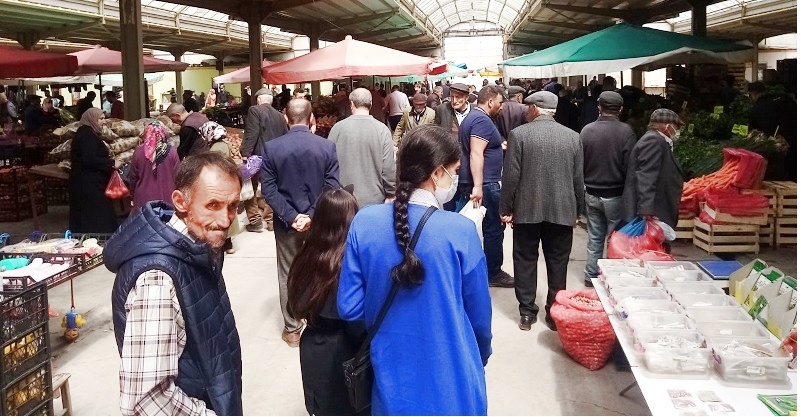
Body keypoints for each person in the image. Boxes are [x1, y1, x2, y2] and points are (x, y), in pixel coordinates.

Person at [338, 125, 492, 415]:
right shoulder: (461, 231)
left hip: (391, 378)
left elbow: (349, 307)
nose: (455, 179)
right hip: (452, 378)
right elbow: (480, 320)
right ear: (437, 173)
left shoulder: (364, 222)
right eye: (454, 170)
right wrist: (479, 354)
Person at [105, 152, 244, 416]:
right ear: (180, 201)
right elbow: (146, 398)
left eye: (232, 206)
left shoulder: (197, 249)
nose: (226, 219)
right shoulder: (157, 280)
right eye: (213, 205)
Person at [500, 91, 584, 332]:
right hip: (562, 210)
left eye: (528, 108)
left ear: (535, 109)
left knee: (525, 259)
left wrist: (505, 208)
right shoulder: (573, 137)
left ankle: (527, 313)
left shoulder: (519, 135)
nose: (526, 111)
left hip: (527, 210)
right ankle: (554, 313)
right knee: (558, 261)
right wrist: (579, 210)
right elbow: (578, 179)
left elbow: (511, 177)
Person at [261, 98, 340, 347]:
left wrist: (292, 216)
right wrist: (312, 215)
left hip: (287, 224)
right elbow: (332, 186)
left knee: (288, 272)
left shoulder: (271, 148)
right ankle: (316, 318)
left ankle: (293, 328)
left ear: (286, 118)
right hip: (319, 222)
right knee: (320, 269)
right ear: (312, 118)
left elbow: (268, 190)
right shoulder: (326, 147)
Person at [286, 188, 365, 416]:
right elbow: (356, 323)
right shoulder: (349, 265)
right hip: (345, 351)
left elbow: (294, 306)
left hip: (313, 345)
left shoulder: (305, 256)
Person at [455, 85, 513, 288]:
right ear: (490, 102)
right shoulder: (481, 120)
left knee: (485, 227)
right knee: (493, 229)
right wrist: (478, 186)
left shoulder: (474, 118)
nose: (501, 107)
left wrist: (498, 145)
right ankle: (493, 272)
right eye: (500, 102)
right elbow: (476, 153)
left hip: (481, 182)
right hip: (485, 184)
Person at [580, 91, 635, 287]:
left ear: (599, 108)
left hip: (591, 193)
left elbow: (580, 163)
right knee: (615, 238)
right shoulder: (626, 132)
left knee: (594, 237)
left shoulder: (586, 131)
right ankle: (611, 278)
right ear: (621, 109)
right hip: (616, 195)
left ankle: (591, 275)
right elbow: (631, 167)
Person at [327, 88, 396, 208]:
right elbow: (388, 167)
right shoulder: (382, 129)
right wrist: (391, 192)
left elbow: (328, 163)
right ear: (371, 104)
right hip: (375, 199)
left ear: (351, 104)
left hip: (343, 200)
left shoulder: (337, 128)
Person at [622, 108, 684, 237]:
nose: (676, 130)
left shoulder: (659, 140)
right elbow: (646, 175)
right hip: (654, 209)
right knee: (647, 243)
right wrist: (646, 209)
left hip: (656, 207)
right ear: (665, 125)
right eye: (675, 126)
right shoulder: (654, 140)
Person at [69, 108, 123, 233]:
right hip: (88, 185)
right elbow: (90, 159)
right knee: (96, 217)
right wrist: (112, 163)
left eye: (104, 118)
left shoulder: (89, 133)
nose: (104, 122)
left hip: (89, 183)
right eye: (101, 119)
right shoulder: (86, 136)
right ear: (92, 119)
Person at [242, 89, 288, 232]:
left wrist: (246, 152)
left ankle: (255, 221)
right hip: (275, 157)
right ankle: (271, 221)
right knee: (271, 188)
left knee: (250, 188)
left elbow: (252, 132)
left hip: (257, 156)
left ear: (258, 100)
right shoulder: (280, 115)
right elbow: (285, 135)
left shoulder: (254, 110)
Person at [747, 81, 796, 181]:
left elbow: (756, 131)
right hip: (794, 137)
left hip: (778, 145)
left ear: (752, 94)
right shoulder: (784, 98)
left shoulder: (756, 109)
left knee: (782, 170)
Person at [128, 120, 180, 213]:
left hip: (143, 200)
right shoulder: (172, 152)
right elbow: (178, 176)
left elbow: (133, 178)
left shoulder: (138, 152)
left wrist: (132, 196)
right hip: (166, 199)